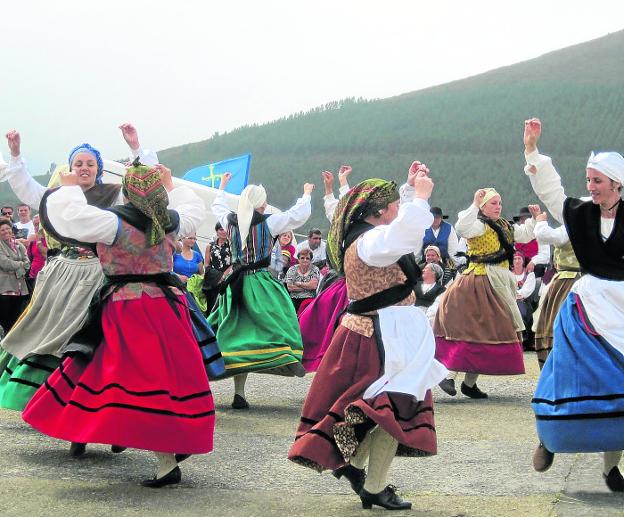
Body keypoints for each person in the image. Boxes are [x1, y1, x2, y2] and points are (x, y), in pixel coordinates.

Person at [22, 160, 215, 487]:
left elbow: (69, 219)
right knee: (166, 380)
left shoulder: (113, 223)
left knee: (126, 380)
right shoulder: (170, 221)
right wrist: (172, 185)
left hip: (129, 311)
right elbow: (194, 207)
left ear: (126, 193)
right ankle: (162, 445)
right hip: (168, 308)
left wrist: (69, 186)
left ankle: (160, 456)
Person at [289, 163, 447, 511]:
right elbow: (403, 234)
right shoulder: (372, 241)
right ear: (378, 212)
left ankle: (356, 466)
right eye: (393, 205)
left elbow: (397, 226)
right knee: (393, 411)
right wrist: (421, 198)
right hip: (379, 338)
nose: (399, 210)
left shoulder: (366, 235)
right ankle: (372, 485)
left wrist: (406, 191)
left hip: (378, 334)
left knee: (380, 412)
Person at [0, 124, 156, 418]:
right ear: (69, 168)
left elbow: (142, 186)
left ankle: (89, 398)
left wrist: (137, 149)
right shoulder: (58, 195)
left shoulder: (113, 195)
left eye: (90, 164)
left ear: (98, 169)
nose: (84, 168)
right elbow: (28, 189)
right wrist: (16, 155)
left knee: (90, 334)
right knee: (48, 331)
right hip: (60, 274)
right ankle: (44, 395)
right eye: (78, 163)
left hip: (97, 273)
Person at [523, 117, 624, 492]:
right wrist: (533, 152)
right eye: (588, 181)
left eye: (597, 181)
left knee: (619, 385)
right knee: (565, 371)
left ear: (617, 182)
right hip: (587, 304)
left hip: (622, 308)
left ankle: (611, 468)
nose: (591, 187)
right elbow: (553, 194)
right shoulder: (582, 214)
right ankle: (549, 438)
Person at [209, 172, 313, 409]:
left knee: (236, 332)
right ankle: (286, 355)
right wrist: (306, 193)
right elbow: (298, 216)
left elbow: (217, 205)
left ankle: (239, 391)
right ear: (261, 203)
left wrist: (222, 186)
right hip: (260, 281)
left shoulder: (229, 220)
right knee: (281, 318)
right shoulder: (269, 221)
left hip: (235, 283)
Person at [434, 190, 537, 399]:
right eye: (492, 203)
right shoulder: (479, 225)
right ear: (483, 207)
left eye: (499, 203)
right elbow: (462, 227)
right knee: (469, 330)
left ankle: (469, 383)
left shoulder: (505, 226)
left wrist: (535, 219)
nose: (498, 206)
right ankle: (449, 375)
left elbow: (526, 234)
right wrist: (474, 204)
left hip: (499, 283)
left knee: (489, 332)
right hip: (478, 282)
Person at [299, 167, 352, 373]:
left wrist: (340, 183)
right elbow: (335, 209)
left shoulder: (359, 223)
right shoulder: (343, 221)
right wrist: (331, 186)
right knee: (324, 316)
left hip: (356, 281)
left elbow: (343, 206)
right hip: (340, 279)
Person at [530, 215, 581, 369]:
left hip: (569, 281)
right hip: (575, 279)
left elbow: (546, 235)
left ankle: (559, 369)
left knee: (559, 323)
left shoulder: (572, 227)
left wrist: (540, 222)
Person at [0, 218, 30, 332]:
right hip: (5, 288)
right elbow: (5, 264)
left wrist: (19, 266)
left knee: (16, 318)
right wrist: (21, 264)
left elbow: (28, 263)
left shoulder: (19, 245)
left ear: (11, 229)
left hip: (19, 287)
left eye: (7, 228)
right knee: (5, 319)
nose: (6, 231)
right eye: (2, 230)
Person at [512, 206, 551, 276]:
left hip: (535, 268)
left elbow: (545, 256)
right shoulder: (516, 235)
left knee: (539, 268)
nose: (523, 222)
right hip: (519, 266)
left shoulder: (540, 233)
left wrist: (533, 262)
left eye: (525, 219)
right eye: (521, 219)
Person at [511, 250, 537, 347]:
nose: (517, 261)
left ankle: (524, 339)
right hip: (511, 301)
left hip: (524, 301)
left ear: (523, 261)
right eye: (515, 259)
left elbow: (528, 289)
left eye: (519, 258)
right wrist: (514, 296)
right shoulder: (508, 274)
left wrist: (519, 294)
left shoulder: (530, 274)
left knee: (521, 309)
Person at [285, 248, 320, 312]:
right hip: (294, 298)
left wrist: (298, 283)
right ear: (298, 259)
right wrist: (308, 285)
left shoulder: (315, 269)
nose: (305, 260)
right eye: (302, 258)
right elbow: (290, 287)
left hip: (309, 299)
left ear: (311, 260)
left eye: (307, 258)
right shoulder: (292, 269)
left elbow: (314, 286)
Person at [25, 215, 47, 289]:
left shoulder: (52, 241)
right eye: (35, 225)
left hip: (47, 277)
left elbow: (46, 255)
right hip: (33, 277)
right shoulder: (32, 241)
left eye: (39, 224)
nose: (37, 227)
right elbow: (28, 259)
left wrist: (39, 241)